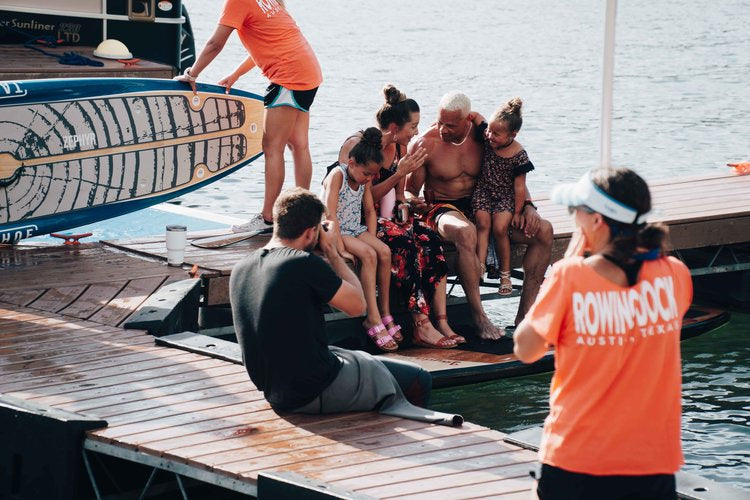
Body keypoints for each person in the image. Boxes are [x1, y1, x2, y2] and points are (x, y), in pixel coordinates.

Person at [514, 167, 693, 500]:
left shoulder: (569, 278)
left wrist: (564, 268)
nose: (573, 218)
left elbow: (527, 349)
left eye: (576, 211)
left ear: (597, 221)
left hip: (578, 456)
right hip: (651, 458)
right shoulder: (675, 276)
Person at [229, 187, 462, 427]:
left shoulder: (242, 268)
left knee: (350, 356)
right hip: (312, 390)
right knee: (418, 377)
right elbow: (358, 306)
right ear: (311, 232)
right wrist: (332, 252)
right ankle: (402, 443)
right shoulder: (302, 264)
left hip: (275, 391)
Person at [406, 91, 553, 338]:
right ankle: (480, 317)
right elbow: (408, 191)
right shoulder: (425, 143)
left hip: (485, 205)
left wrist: (527, 205)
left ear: (467, 120)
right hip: (443, 208)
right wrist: (414, 202)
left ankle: (524, 317)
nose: (442, 129)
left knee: (544, 231)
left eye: (450, 125)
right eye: (440, 122)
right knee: (465, 232)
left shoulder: (485, 137)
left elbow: (512, 172)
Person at [174, 0, 322, 234]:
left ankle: (267, 219)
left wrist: (192, 73)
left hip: (288, 76)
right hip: (308, 71)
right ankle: (304, 215)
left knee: (272, 148)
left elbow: (215, 43)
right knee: (299, 145)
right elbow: (267, 46)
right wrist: (235, 75)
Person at [337, 85, 463, 349]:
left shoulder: (399, 148)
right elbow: (360, 197)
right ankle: (420, 323)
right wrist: (398, 174)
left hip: (385, 217)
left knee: (429, 238)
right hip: (358, 220)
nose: (416, 132)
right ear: (394, 128)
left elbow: (399, 195)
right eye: (413, 127)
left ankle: (441, 319)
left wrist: (407, 206)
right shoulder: (359, 146)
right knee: (405, 244)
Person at [322, 128, 400, 352]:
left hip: (355, 228)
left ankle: (385, 313)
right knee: (367, 254)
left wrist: (372, 239)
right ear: (352, 162)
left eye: (371, 176)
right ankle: (372, 318)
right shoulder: (338, 175)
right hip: (334, 229)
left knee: (383, 251)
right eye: (366, 174)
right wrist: (339, 249)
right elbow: (330, 214)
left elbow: (369, 210)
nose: (368, 179)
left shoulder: (364, 178)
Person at [472, 97, 535, 296]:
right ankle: (479, 266)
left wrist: (518, 212)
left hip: (505, 195)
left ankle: (505, 274)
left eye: (496, 134)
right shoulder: (488, 135)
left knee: (500, 228)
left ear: (512, 135)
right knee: (482, 223)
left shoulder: (519, 155)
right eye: (489, 130)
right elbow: (475, 116)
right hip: (484, 190)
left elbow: (519, 188)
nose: (490, 135)